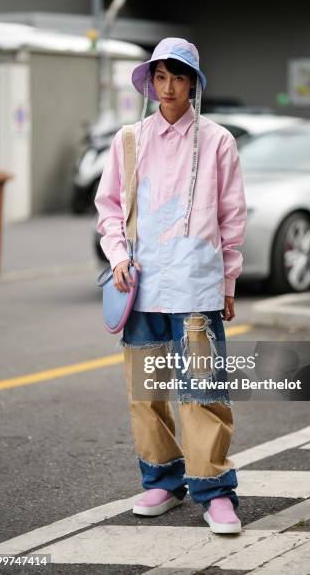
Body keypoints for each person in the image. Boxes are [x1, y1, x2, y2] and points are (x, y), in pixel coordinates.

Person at [95, 37, 247, 534]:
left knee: (202, 389)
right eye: (159, 77)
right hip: (142, 283)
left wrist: (228, 280)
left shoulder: (218, 140)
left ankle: (214, 490)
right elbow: (110, 207)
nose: (168, 87)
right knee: (147, 389)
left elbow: (231, 217)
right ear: (150, 81)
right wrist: (117, 255)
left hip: (197, 285)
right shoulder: (129, 140)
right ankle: (162, 479)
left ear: (193, 84)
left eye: (178, 77)